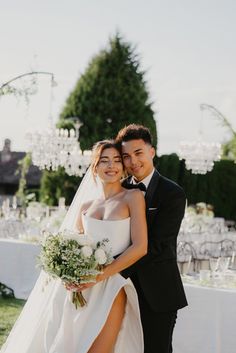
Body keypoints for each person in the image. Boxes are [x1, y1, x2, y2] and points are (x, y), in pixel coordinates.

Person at [1, 140, 147, 353]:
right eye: (104, 161)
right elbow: (75, 244)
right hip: (79, 287)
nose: (111, 166)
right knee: (68, 346)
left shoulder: (133, 197)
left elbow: (140, 247)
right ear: (94, 167)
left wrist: (98, 277)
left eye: (117, 160)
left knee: (98, 349)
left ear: (124, 167)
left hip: (112, 285)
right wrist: (70, 272)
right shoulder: (86, 206)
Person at [115, 124, 188, 353]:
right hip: (119, 290)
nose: (133, 161)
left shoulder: (172, 193)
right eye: (126, 156)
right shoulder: (118, 189)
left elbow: (157, 246)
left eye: (138, 153)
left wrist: (110, 267)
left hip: (157, 292)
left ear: (151, 152)